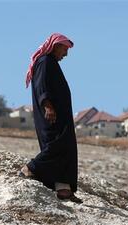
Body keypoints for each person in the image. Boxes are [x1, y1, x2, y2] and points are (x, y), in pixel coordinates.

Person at [20, 33, 82, 203]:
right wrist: (48, 106)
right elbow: (41, 86)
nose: (66, 54)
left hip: (60, 116)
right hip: (51, 115)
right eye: (64, 49)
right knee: (56, 146)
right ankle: (30, 168)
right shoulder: (45, 61)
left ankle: (64, 190)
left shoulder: (51, 62)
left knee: (67, 149)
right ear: (55, 45)